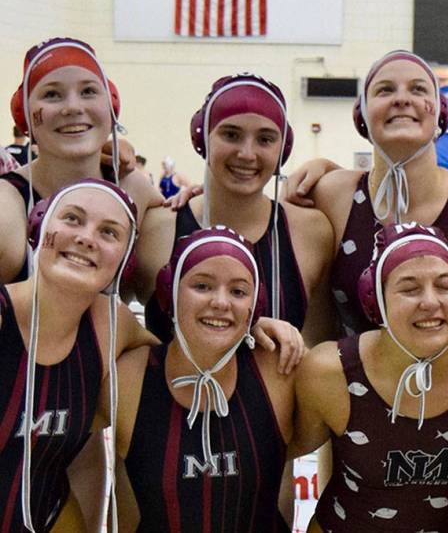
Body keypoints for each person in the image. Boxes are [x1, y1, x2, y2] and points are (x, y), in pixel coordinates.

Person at [293, 223, 448, 532]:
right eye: (409, 289)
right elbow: (270, 457)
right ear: (375, 301)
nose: (431, 302)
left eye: (444, 286)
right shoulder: (332, 372)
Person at [284, 50, 448, 335]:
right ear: (362, 115)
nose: (401, 99)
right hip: (348, 365)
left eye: (418, 89)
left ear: (441, 113)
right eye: (385, 90)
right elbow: (316, 332)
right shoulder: (331, 197)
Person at [108, 226, 304, 531]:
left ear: (255, 306)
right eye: (202, 286)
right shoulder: (126, 378)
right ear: (169, 292)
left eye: (238, 292)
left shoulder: (280, 371)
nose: (221, 303)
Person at [131, 73, 334, 344]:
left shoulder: (311, 232)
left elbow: (319, 345)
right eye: (231, 134)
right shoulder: (155, 229)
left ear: (283, 150)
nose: (247, 154)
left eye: (265, 139)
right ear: (203, 139)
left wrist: (326, 166)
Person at [0, 180, 157, 531]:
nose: (87, 238)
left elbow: (189, 361)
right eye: (72, 219)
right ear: (39, 227)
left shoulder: (112, 325)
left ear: (125, 261)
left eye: (109, 232)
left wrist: (253, 329)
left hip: (51, 515)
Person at [0, 37, 163, 284]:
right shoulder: (8, 209)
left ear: (112, 105)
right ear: (24, 115)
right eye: (52, 94)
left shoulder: (134, 189)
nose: (73, 107)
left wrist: (198, 198)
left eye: (88, 91)